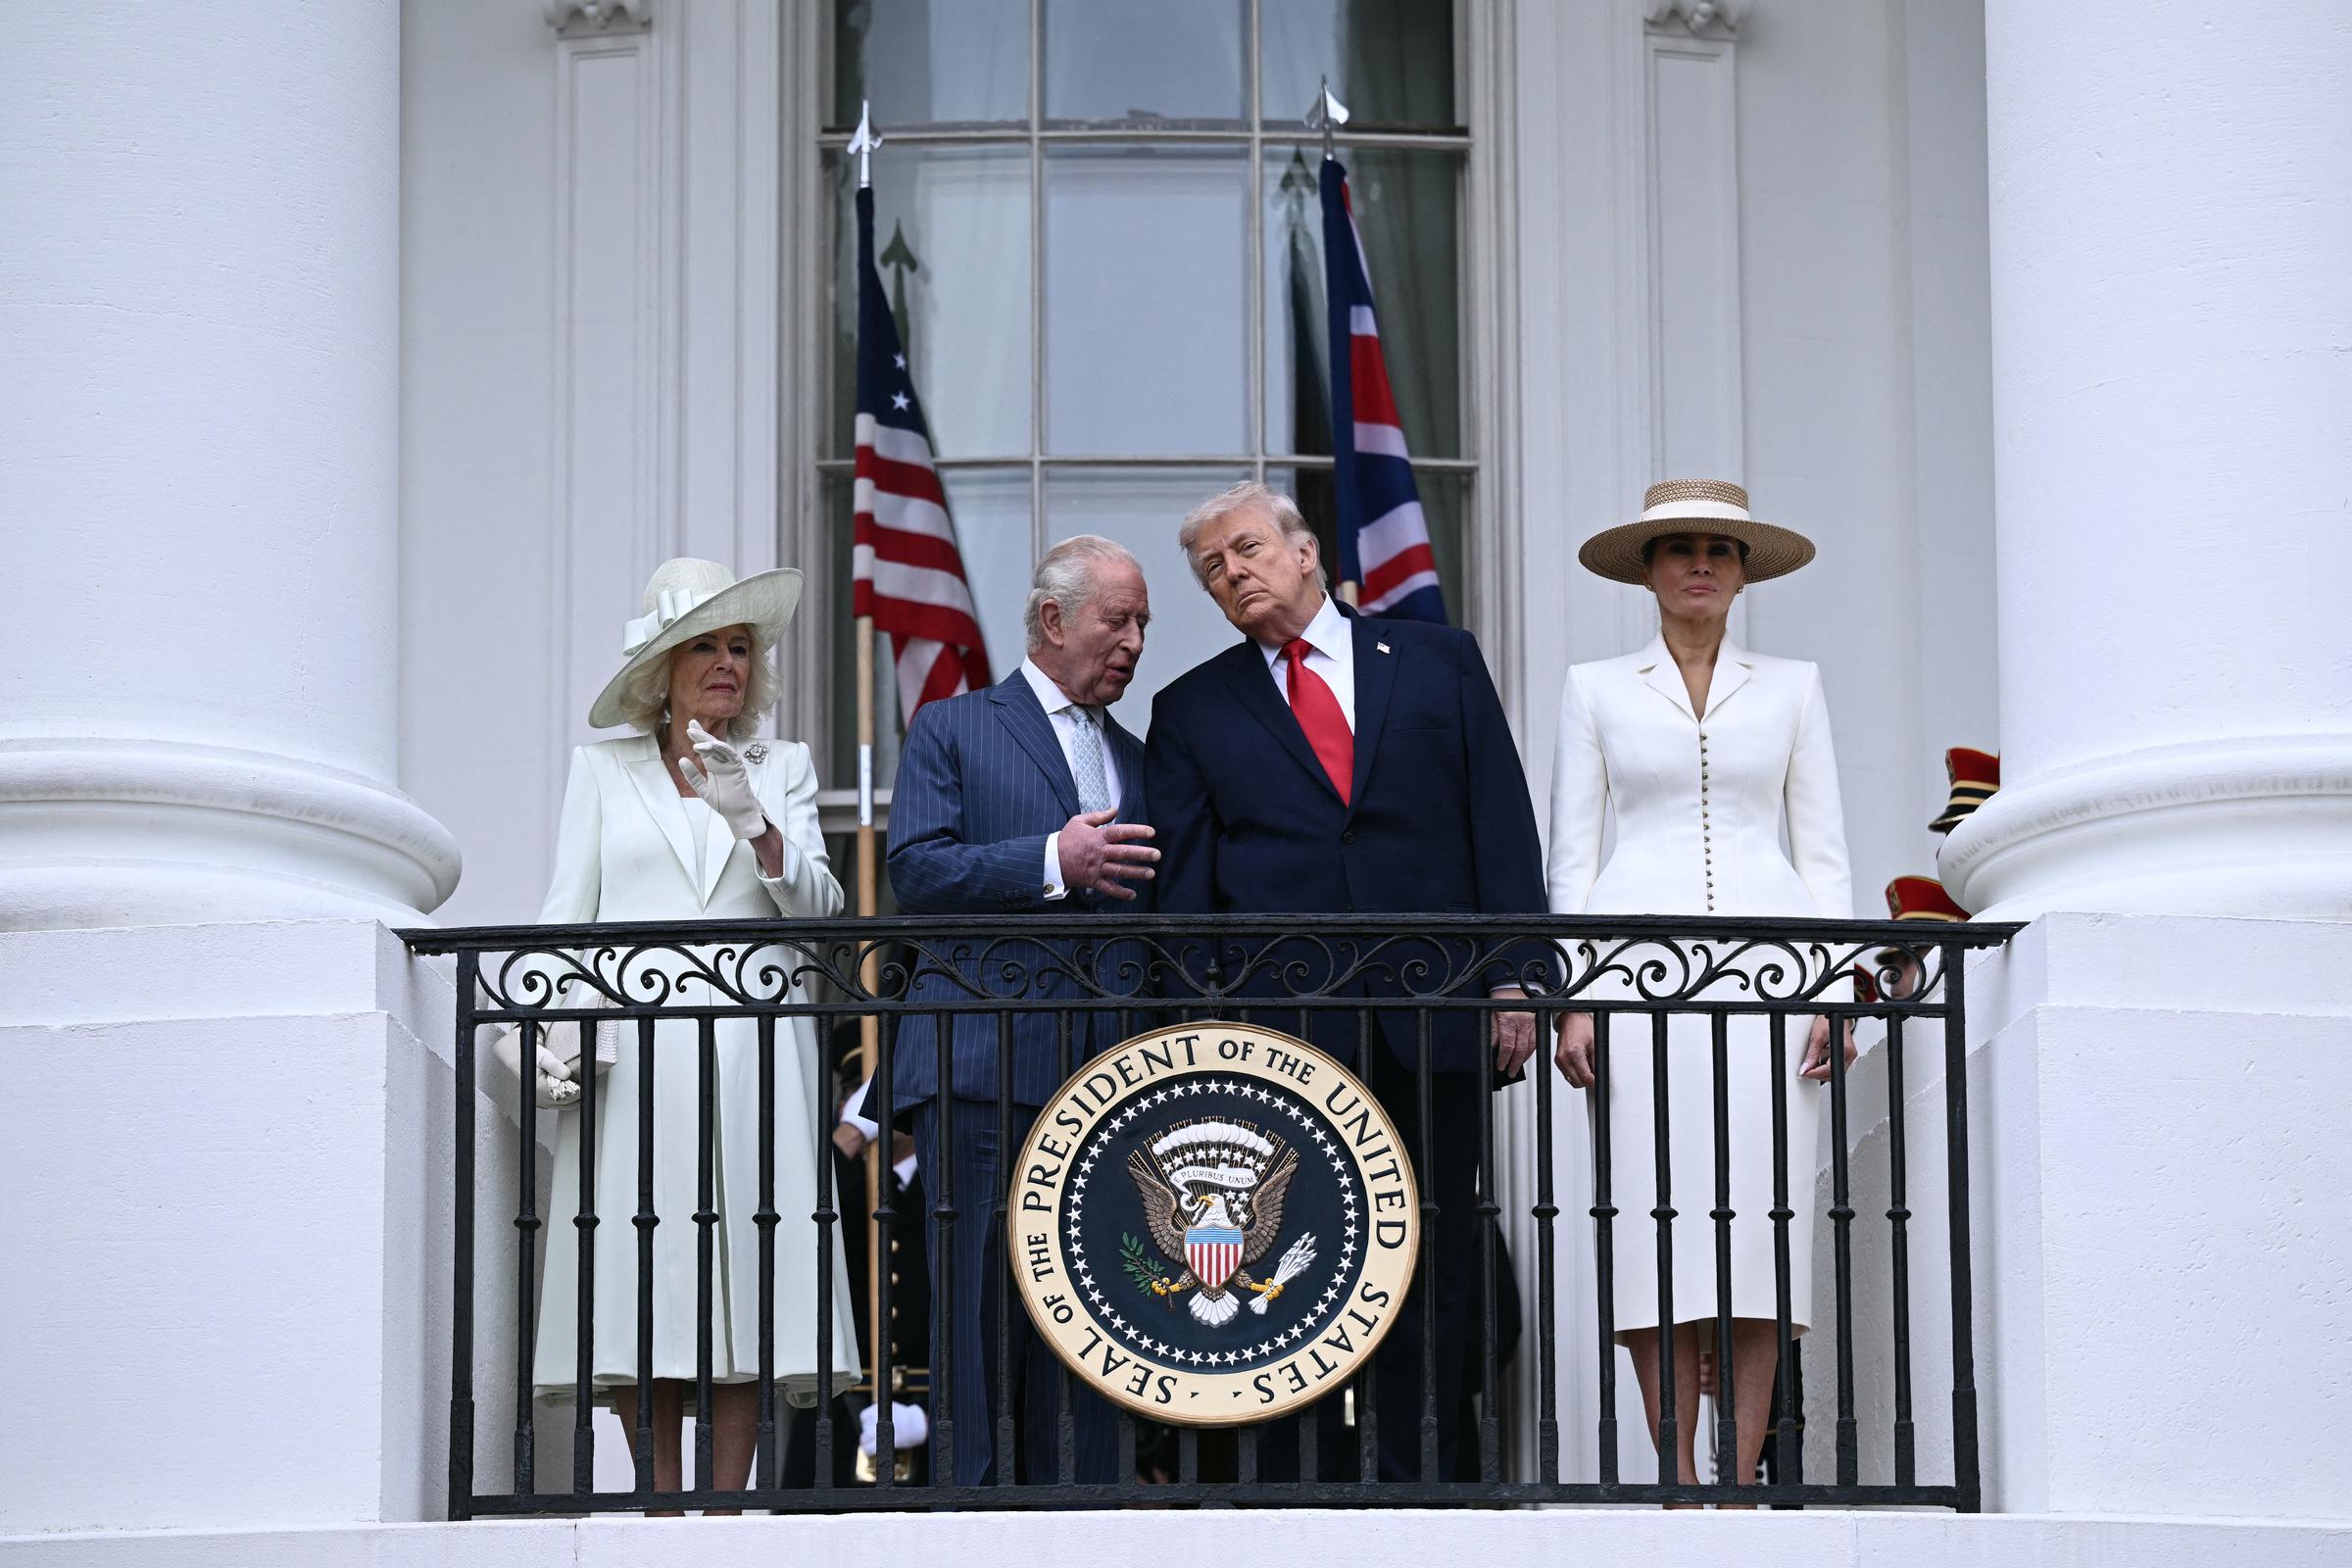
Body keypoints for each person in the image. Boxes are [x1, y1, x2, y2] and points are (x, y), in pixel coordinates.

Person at [1144, 480, 1547, 1483]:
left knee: (1437, 1252)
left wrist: (1517, 980)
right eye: (1211, 568)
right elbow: (1183, 902)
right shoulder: (1191, 709)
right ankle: (1290, 1482)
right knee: (1288, 1264)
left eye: (1244, 549)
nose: (1232, 572)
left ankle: (1431, 1477)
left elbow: (1498, 824)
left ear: (1306, 548)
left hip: (1434, 1010)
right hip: (1285, 1033)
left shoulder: (1438, 662)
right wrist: (1210, 1036)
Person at [525, 557, 858, 1506]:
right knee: (644, 1263)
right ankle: (657, 1502)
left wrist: (758, 827)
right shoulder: (600, 771)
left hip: (757, 1053)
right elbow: (565, 918)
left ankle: (727, 1506)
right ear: (661, 665)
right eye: (706, 644)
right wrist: (545, 1028)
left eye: (741, 646)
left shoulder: (781, 766)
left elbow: (821, 909)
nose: (727, 663)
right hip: (636, 1059)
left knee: (748, 1263)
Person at [1546, 479, 1855, 1497]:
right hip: (1638, 983)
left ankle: (1742, 1475)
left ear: (1743, 570)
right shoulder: (1595, 687)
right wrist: (1576, 993)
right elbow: (1571, 860)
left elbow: (1825, 854)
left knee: (1765, 1233)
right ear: (1646, 568)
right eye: (1677, 547)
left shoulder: (1796, 685)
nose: (1699, 564)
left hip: (1775, 980)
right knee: (1650, 1226)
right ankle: (1674, 1475)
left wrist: (1835, 991)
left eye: (1719, 549)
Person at [885, 534, 1156, 1486]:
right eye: (1116, 620)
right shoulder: (954, 728)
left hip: (1107, 1074)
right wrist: (1051, 862)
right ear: (1053, 620)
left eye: (1142, 626)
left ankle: (1079, 1523)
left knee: (1092, 1307)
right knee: (977, 1308)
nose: (1133, 643)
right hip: (979, 1060)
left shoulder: (1137, 755)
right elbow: (914, 872)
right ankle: (974, 1525)